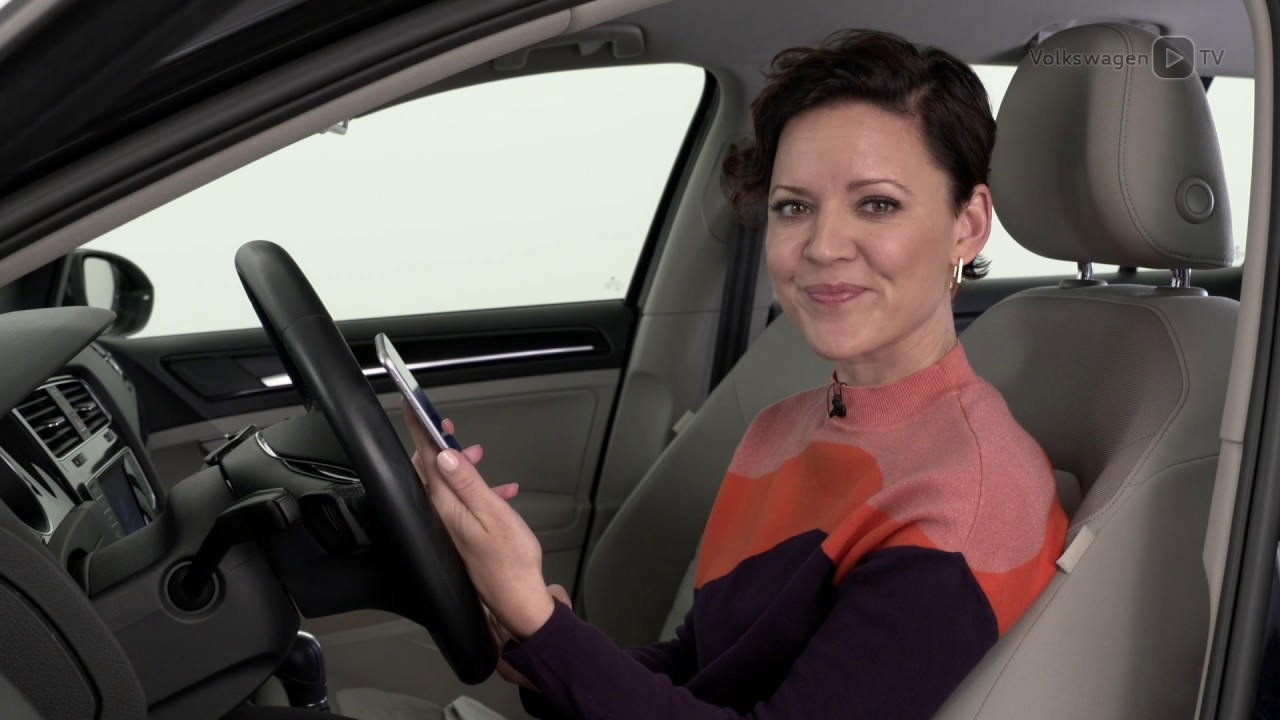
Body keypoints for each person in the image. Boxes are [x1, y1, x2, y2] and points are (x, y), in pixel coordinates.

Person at [408, 29, 1069, 720]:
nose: (822, 245)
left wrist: (541, 623)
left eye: (877, 203)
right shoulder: (782, 427)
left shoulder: (963, 505)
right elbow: (706, 667)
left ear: (968, 224)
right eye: (794, 207)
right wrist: (545, 640)